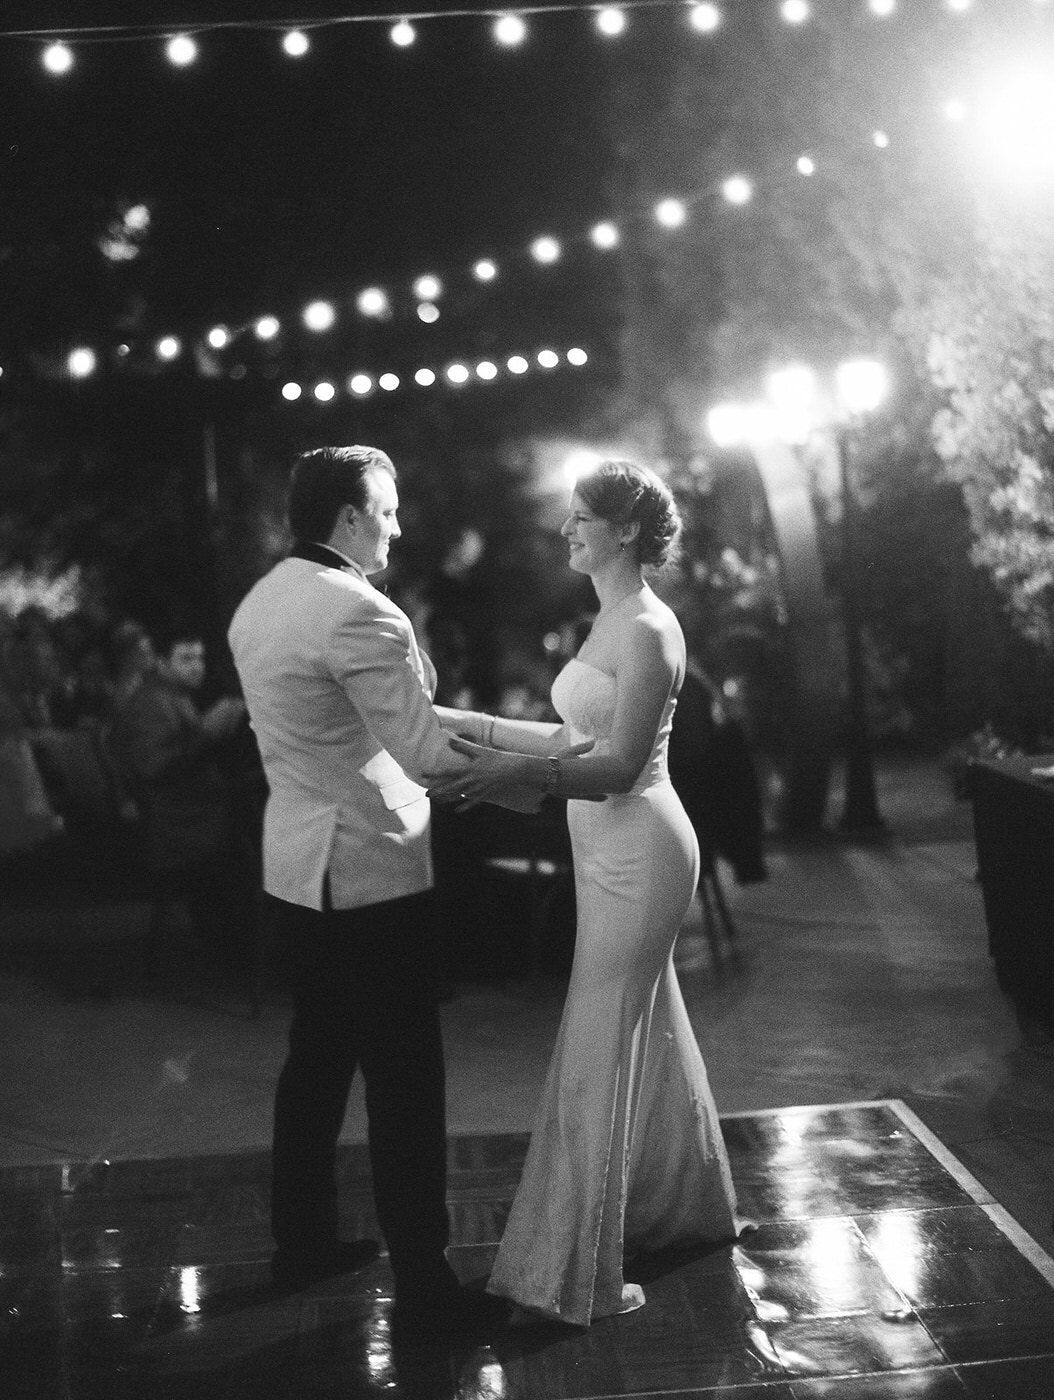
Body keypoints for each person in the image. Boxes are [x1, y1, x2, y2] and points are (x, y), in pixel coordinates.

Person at [428, 459, 746, 1328]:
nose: (567, 531)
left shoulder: (648, 628)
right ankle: (682, 1206)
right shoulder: (608, 619)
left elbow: (613, 766)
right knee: (649, 1024)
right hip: (608, 849)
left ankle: (574, 1268)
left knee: (599, 1036)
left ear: (628, 532)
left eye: (580, 519)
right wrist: (464, 724)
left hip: (640, 848)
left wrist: (506, 769)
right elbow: (574, 734)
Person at [227, 445, 513, 1337]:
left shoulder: (260, 603)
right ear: (349, 517)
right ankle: (426, 1289)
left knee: (314, 1065)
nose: (397, 524)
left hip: (297, 871)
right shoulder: (358, 611)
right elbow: (426, 754)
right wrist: (540, 775)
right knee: (405, 1080)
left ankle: (301, 1244)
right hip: (371, 870)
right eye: (387, 509)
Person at [108, 629, 255, 972]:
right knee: (262, 837)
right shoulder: (152, 702)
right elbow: (155, 768)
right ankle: (247, 948)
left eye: (200, 658)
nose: (196, 667)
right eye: (185, 659)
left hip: (194, 812)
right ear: (161, 663)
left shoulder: (172, 695)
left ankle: (241, 941)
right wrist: (207, 730)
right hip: (182, 825)